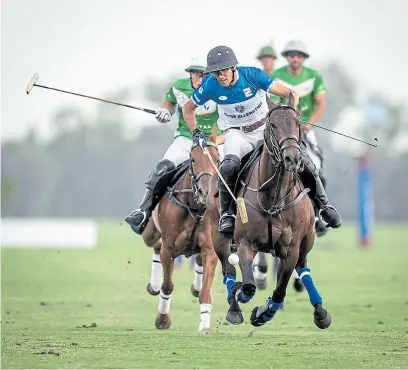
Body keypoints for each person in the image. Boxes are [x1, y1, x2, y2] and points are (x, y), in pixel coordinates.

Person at [182, 45, 342, 237]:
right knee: (228, 167)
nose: (220, 76)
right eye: (215, 73)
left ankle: (324, 207)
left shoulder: (253, 75)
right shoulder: (210, 85)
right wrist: (195, 132)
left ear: (233, 68)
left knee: (302, 158)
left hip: (263, 128)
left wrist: (286, 115)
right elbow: (187, 108)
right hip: (236, 133)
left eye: (223, 71)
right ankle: (227, 214)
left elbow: (292, 94)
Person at [125, 57, 222, 235]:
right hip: (186, 139)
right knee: (162, 168)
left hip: (213, 141)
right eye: (197, 74)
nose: (201, 78)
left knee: (232, 171)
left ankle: (231, 220)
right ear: (191, 74)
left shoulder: (218, 89)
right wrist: (166, 112)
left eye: (205, 74)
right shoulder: (178, 86)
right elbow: (169, 102)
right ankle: (144, 211)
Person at [270, 40, 329, 235]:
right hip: (284, 129)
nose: (295, 58)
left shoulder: (314, 77)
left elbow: (320, 104)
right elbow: (271, 101)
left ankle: (319, 214)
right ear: (287, 57)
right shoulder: (277, 75)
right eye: (292, 55)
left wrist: (309, 124)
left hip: (306, 128)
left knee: (316, 165)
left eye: (299, 55)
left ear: (303, 58)